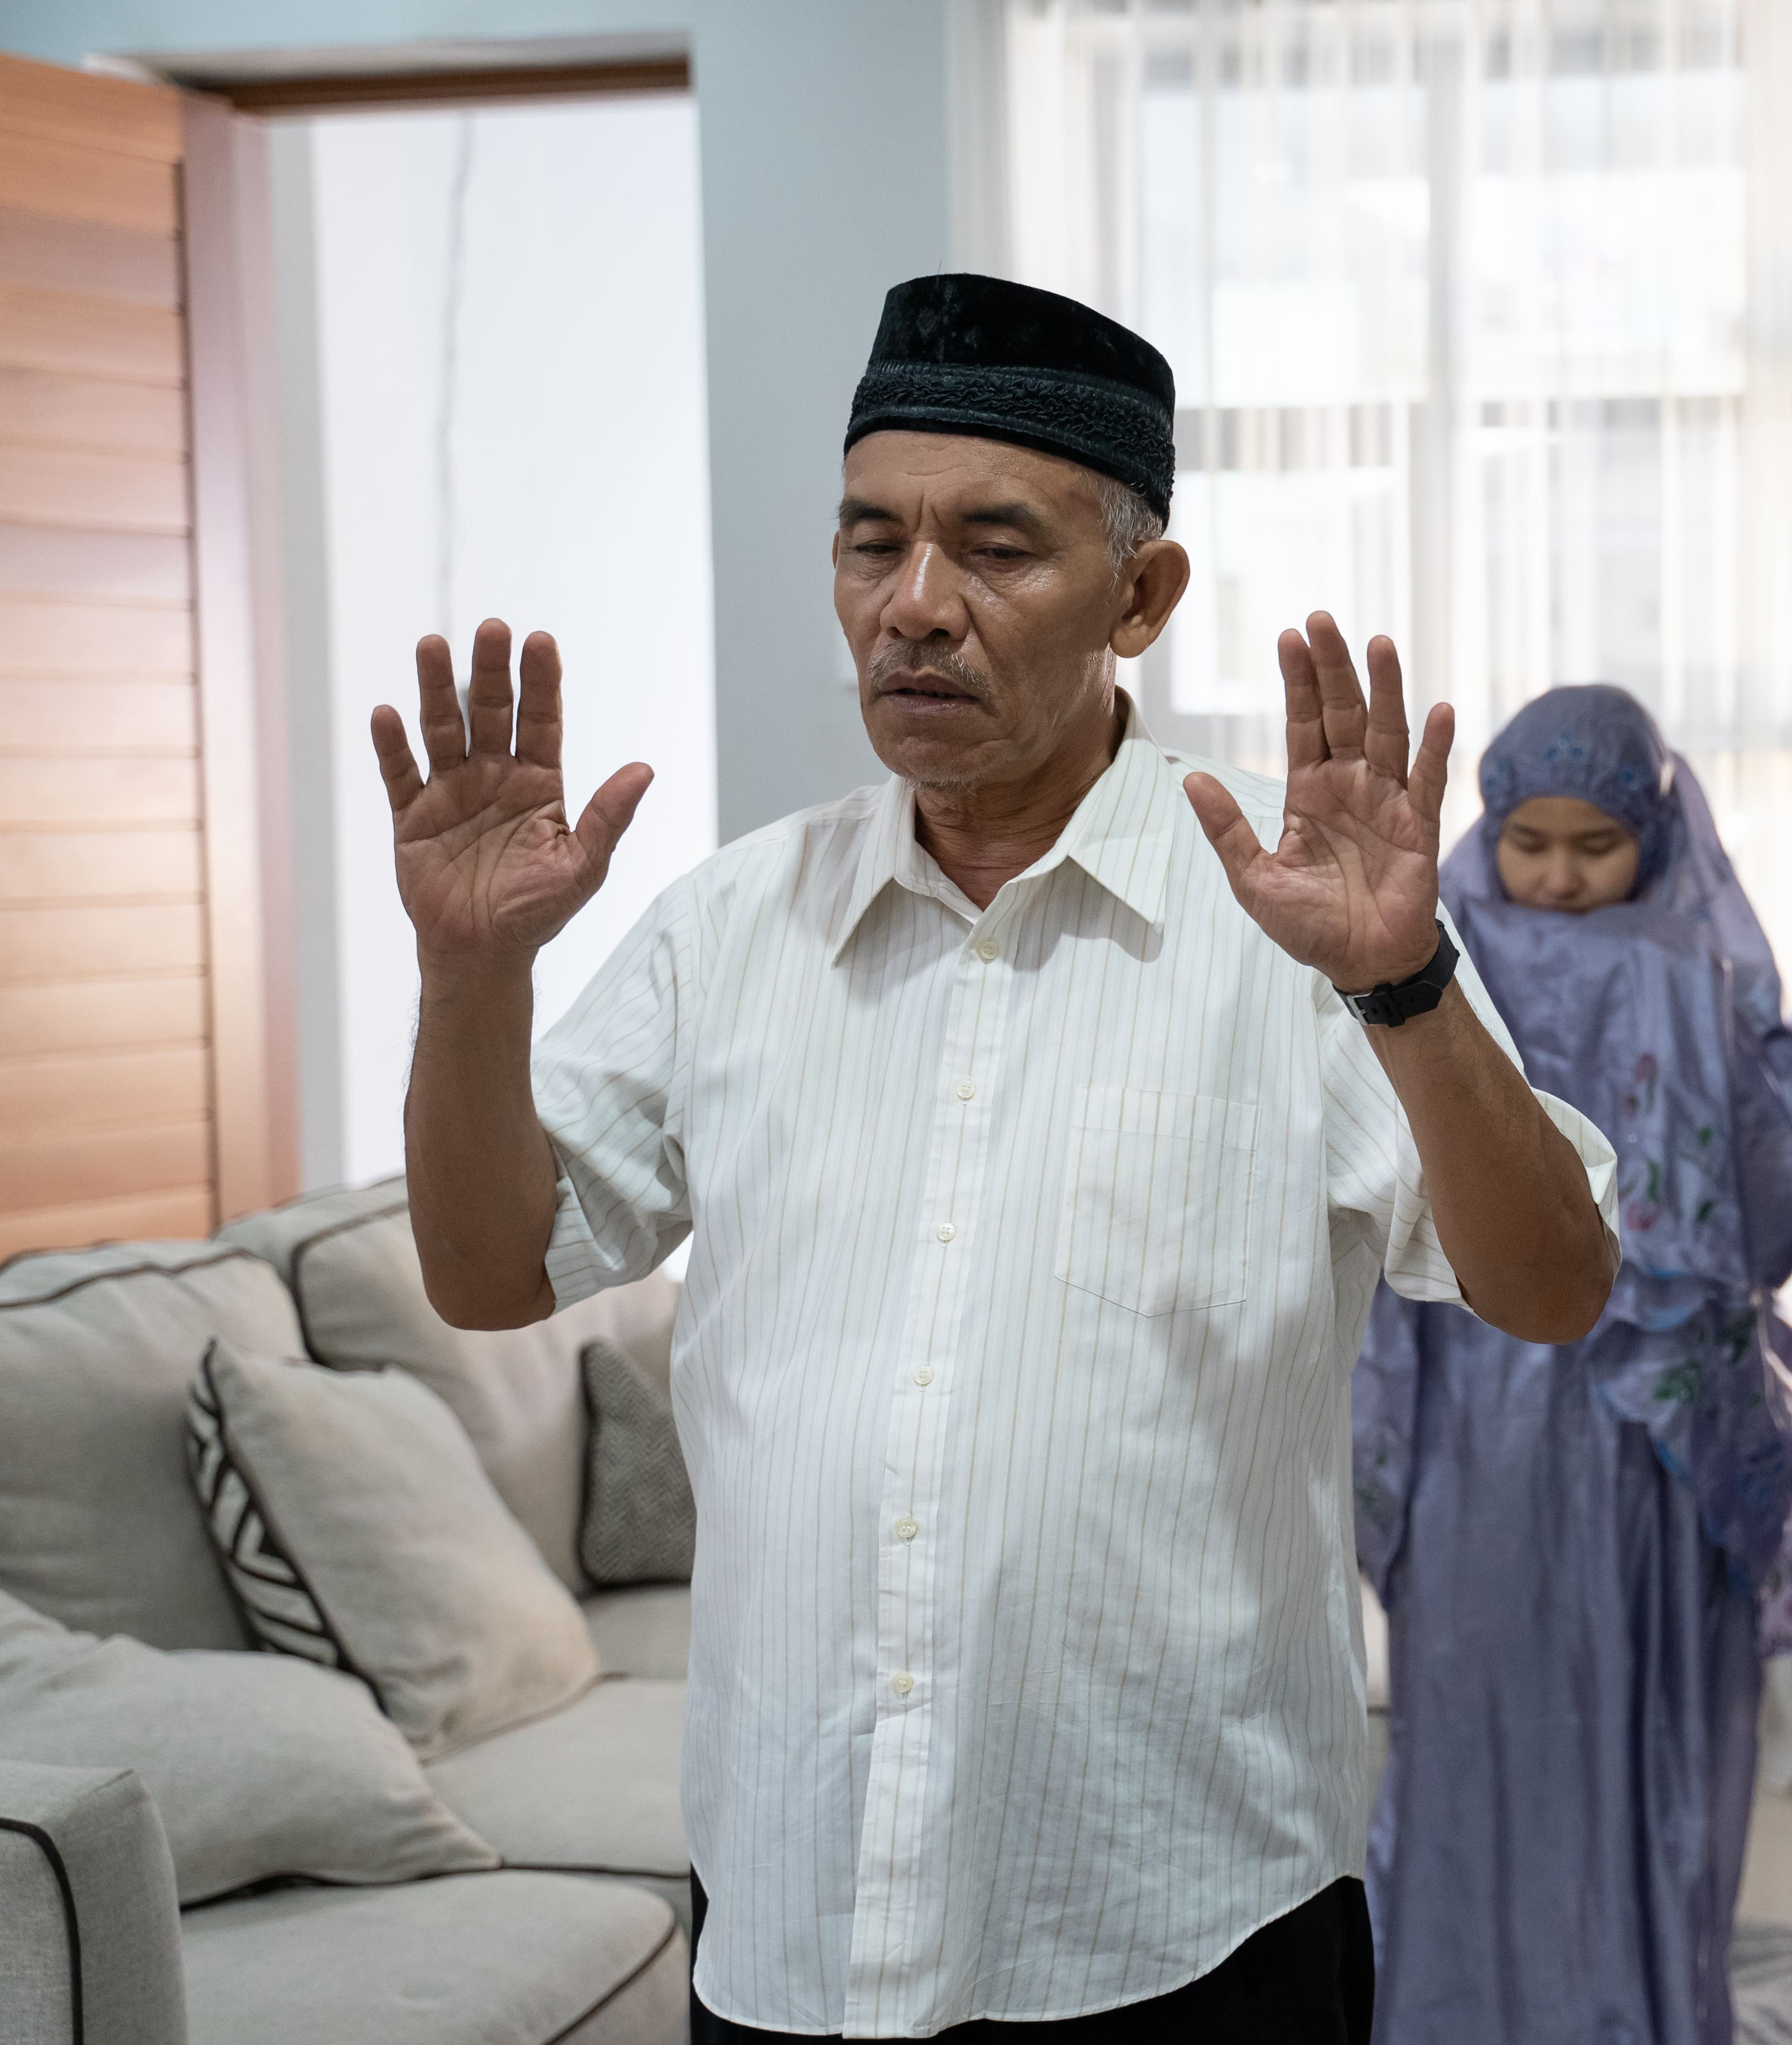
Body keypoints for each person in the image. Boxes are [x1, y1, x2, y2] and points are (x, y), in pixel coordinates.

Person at [370, 273, 1620, 2042]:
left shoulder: (1293, 924)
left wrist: (1404, 984)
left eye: (996, 548)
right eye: (870, 543)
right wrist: (469, 975)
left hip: (1187, 1915)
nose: (914, 609)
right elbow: (491, 1271)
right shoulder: (734, 923)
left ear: (1142, 592)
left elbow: (1556, 1286)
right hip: (799, 1900)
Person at [1352, 685, 1792, 2045]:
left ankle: (1630, 2009)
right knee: (1475, 1714)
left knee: (1641, 1729)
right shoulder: (1427, 964)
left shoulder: (1699, 967)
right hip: (1472, 1406)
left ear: (1655, 833)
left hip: (1646, 1435)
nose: (1559, 875)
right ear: (1489, 829)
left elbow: (1779, 1184)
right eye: (1530, 842)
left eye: (1595, 844)